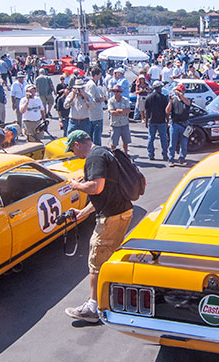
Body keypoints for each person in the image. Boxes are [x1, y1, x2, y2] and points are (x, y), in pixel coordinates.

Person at [62, 130, 134, 323]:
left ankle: (93, 308)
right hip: (122, 211)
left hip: (111, 217)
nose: (74, 153)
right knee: (110, 257)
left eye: (72, 149)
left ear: (78, 144)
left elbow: (96, 188)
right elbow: (104, 194)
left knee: (96, 260)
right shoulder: (104, 152)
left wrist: (75, 186)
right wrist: (82, 213)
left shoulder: (93, 157)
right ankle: (112, 298)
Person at [142, 81, 170, 161]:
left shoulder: (149, 98)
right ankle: (165, 155)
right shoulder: (163, 98)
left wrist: (146, 121)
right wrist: (167, 120)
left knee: (151, 138)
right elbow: (166, 111)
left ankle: (151, 154)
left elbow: (146, 111)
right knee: (163, 138)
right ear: (159, 87)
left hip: (152, 121)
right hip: (161, 121)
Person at [166, 83, 192, 166]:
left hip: (184, 124)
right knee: (172, 143)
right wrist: (170, 101)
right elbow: (167, 111)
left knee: (184, 143)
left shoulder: (187, 100)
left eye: (181, 91)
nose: (179, 92)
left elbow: (188, 103)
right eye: (178, 90)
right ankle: (171, 159)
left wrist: (181, 96)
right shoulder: (173, 100)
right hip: (175, 124)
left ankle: (182, 158)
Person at [85, 68, 107, 145]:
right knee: (96, 135)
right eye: (100, 75)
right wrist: (101, 99)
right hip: (95, 114)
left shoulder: (91, 84)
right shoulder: (92, 85)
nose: (100, 77)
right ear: (96, 75)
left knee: (93, 134)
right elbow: (91, 98)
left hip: (94, 113)